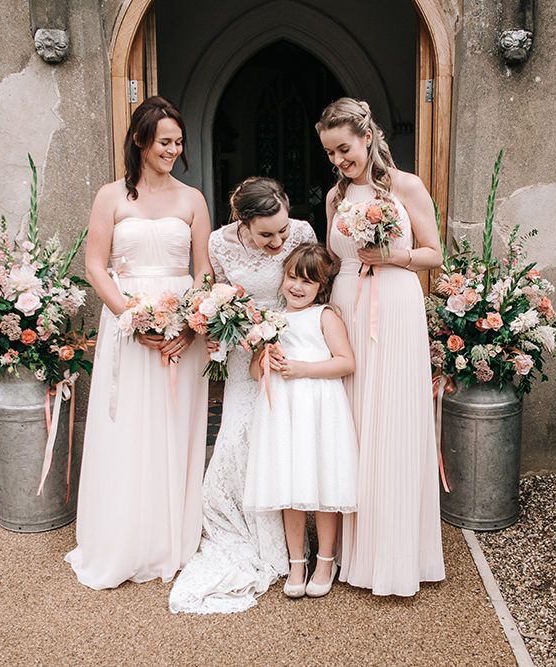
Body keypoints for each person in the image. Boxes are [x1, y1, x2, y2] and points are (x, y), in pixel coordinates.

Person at [65, 96, 211, 589]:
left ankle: (172, 536)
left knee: (174, 424)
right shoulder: (110, 197)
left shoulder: (192, 199)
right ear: (139, 140)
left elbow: (204, 271)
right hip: (127, 325)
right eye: (164, 141)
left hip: (180, 329)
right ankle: (125, 535)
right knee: (127, 424)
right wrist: (132, 317)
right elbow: (94, 267)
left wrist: (190, 325)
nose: (173, 149)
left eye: (178, 142)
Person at [169, 177, 317, 614]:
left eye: (282, 232)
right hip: (243, 354)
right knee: (238, 435)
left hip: (294, 344)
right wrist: (236, 329)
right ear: (243, 222)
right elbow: (213, 297)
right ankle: (250, 536)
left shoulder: (304, 233)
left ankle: (297, 543)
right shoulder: (220, 243)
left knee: (286, 439)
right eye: (266, 234)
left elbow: (313, 285)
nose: (277, 242)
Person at [316, 97, 446, 596]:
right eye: (330, 153)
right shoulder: (335, 198)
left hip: (394, 304)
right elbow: (332, 259)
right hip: (350, 302)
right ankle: (352, 548)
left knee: (390, 417)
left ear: (367, 137)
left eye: (343, 149)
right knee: (352, 416)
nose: (338, 161)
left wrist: (396, 255)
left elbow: (434, 254)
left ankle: (395, 550)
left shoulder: (407, 186)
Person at [243, 242, 359, 599]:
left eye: (307, 282)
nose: (297, 286)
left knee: (323, 482)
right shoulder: (271, 321)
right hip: (282, 410)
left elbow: (346, 362)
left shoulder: (325, 315)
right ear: (283, 279)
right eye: (292, 277)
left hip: (318, 406)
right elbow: (253, 373)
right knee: (288, 485)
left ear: (321, 287)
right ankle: (297, 560)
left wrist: (303, 369)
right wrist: (266, 358)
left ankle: (326, 558)